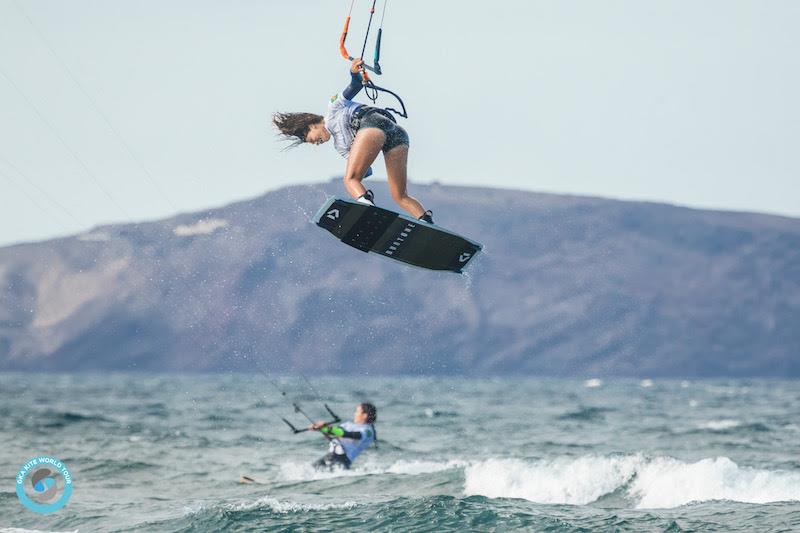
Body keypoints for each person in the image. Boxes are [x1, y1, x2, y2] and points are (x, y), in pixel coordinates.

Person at [273, 59, 434, 224]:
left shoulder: (333, 108)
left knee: (350, 180)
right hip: (396, 135)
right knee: (399, 195)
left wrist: (354, 72)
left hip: (373, 125)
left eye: (312, 140)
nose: (315, 143)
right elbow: (367, 170)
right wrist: (360, 170)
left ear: (312, 125)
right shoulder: (341, 147)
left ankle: (367, 208)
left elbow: (354, 86)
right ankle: (426, 221)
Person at [309, 403, 377, 471]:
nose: (354, 414)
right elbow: (334, 434)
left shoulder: (368, 431)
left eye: (357, 411)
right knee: (309, 471)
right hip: (330, 456)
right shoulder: (347, 424)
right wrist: (320, 428)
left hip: (342, 460)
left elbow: (347, 434)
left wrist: (327, 428)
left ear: (365, 415)